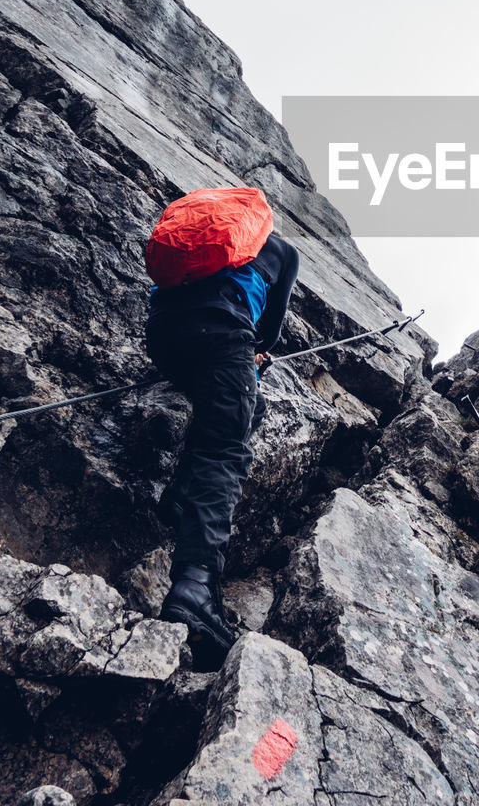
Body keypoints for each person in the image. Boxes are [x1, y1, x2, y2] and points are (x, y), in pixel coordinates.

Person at [144, 229, 299, 660]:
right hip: (222, 328)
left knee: (245, 408)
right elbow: (266, 336)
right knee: (224, 448)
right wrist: (254, 354)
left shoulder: (208, 237)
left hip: (163, 332)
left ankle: (179, 500)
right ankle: (196, 588)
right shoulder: (283, 252)